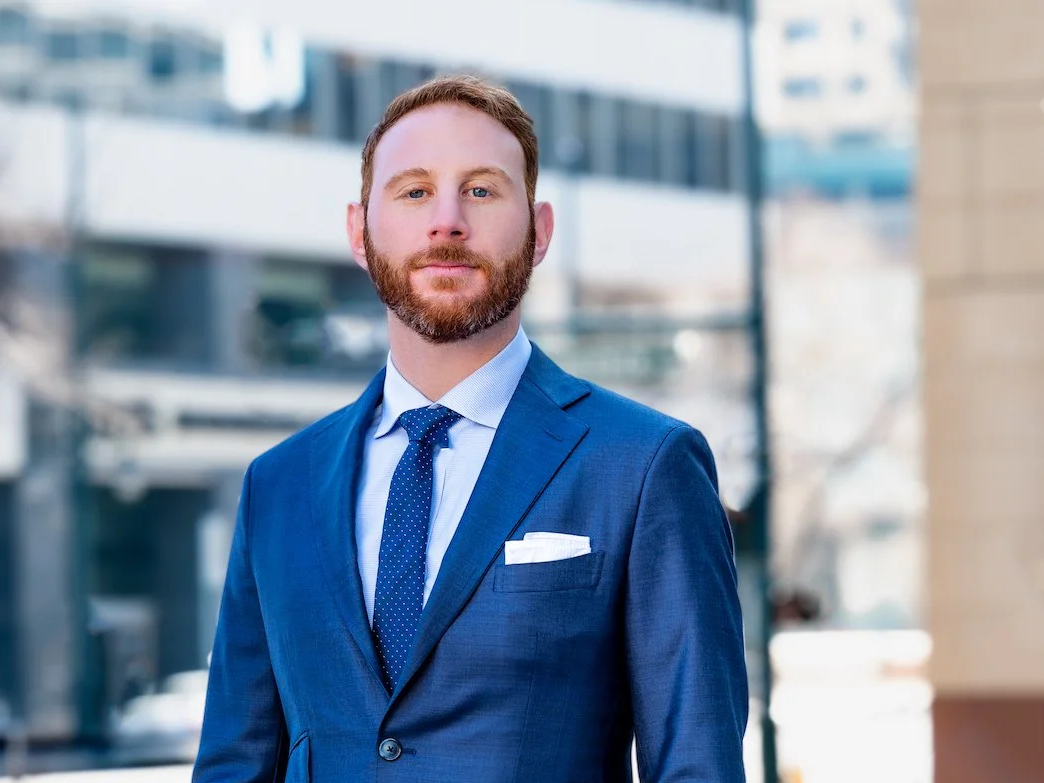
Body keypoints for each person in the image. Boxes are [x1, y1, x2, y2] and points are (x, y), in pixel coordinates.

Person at [193, 75, 748, 783]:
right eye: (415, 191)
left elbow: (698, 764)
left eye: (482, 190)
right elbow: (234, 765)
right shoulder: (278, 484)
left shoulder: (643, 466)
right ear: (359, 231)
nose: (447, 221)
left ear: (539, 231)